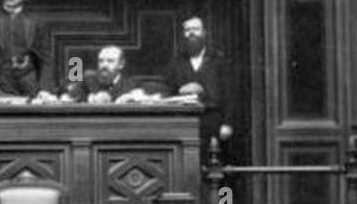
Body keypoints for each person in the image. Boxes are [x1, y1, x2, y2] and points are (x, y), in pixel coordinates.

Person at [161, 14, 232, 146]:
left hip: (213, 121)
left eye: (196, 29)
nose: (191, 33)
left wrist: (227, 123)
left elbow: (230, 95)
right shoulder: (176, 62)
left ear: (204, 32)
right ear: (183, 34)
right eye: (188, 30)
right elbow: (167, 93)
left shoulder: (218, 60)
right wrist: (181, 92)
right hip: (184, 122)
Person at [62, 45, 153, 103]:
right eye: (101, 61)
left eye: (110, 61)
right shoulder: (87, 80)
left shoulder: (131, 84)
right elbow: (68, 92)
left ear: (121, 64)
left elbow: (162, 91)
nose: (104, 65)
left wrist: (134, 97)